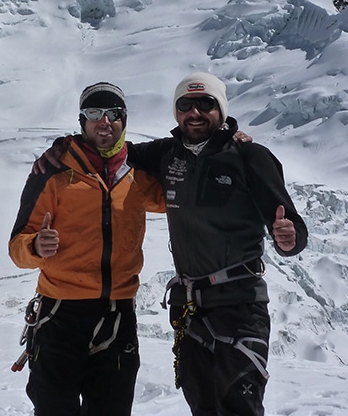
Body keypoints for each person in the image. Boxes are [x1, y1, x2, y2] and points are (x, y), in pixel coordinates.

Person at [125, 71, 308, 416]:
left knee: (239, 408)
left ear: (221, 110)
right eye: (186, 105)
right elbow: (115, 151)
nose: (195, 113)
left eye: (206, 104)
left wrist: (289, 237)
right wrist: (64, 148)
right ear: (177, 112)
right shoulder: (167, 153)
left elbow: (291, 225)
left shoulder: (249, 157)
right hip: (189, 308)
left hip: (239, 307)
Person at [9, 82, 165, 416]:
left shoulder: (138, 176)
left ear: (124, 120)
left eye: (113, 114)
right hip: (60, 315)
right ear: (82, 121)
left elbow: (182, 198)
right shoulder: (53, 172)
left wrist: (228, 143)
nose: (103, 121)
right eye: (94, 113)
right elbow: (17, 247)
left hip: (118, 313)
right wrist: (35, 245)